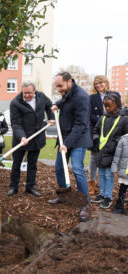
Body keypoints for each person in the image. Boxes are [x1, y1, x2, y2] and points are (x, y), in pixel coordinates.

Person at [48, 72, 92, 222]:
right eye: (57, 86)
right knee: (59, 168)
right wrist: (56, 104)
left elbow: (81, 125)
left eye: (60, 86)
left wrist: (66, 144)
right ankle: (64, 195)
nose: (59, 89)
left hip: (78, 139)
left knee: (78, 170)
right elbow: (65, 99)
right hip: (65, 137)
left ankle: (84, 205)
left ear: (69, 82)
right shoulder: (69, 92)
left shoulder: (82, 97)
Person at [7, 81, 55, 197]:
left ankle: (30, 187)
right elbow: (15, 124)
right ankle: (13, 187)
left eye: (29, 93)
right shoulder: (15, 103)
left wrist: (51, 117)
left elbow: (49, 106)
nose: (27, 95)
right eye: (24, 93)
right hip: (21, 139)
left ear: (34, 91)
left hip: (37, 137)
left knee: (32, 164)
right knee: (16, 164)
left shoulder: (41, 96)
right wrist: (22, 137)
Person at [90, 94, 128, 208]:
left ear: (116, 104)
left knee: (108, 175)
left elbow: (126, 135)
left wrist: (116, 142)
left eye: (109, 106)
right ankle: (102, 194)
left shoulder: (124, 119)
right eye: (105, 106)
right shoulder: (103, 118)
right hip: (101, 152)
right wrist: (96, 140)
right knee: (101, 174)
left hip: (114, 152)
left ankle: (108, 197)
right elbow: (95, 130)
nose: (107, 108)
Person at [88, 75, 122, 195]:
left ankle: (108, 186)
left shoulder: (115, 95)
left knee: (110, 160)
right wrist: (101, 119)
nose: (98, 85)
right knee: (93, 160)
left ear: (106, 83)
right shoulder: (92, 98)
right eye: (96, 83)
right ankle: (91, 183)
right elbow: (89, 114)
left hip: (111, 131)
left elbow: (119, 111)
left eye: (100, 83)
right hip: (96, 131)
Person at [111, 130, 128, 214]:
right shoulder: (124, 140)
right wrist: (114, 168)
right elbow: (117, 155)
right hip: (125, 171)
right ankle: (119, 206)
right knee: (123, 189)